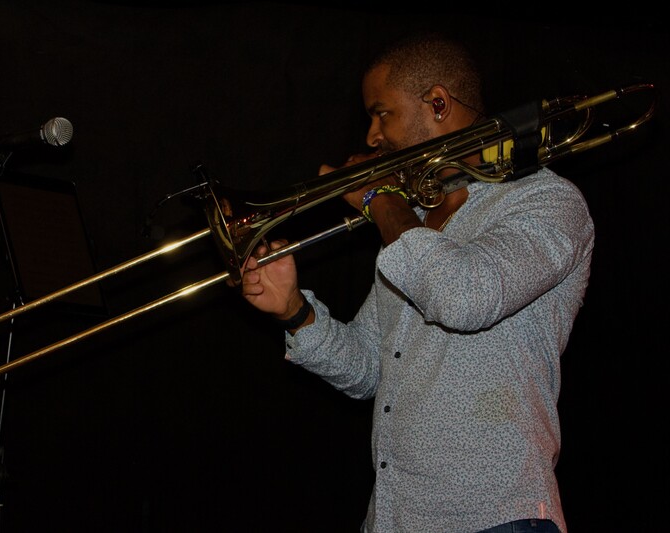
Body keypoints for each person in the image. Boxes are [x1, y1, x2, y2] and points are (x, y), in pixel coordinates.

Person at [237, 31, 594, 533]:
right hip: (394, 517)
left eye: (381, 113)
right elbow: (369, 367)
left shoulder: (546, 203)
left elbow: (464, 297)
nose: (371, 137)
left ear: (438, 104)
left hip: (493, 516)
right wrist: (295, 310)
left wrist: (380, 200)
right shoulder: (415, 225)